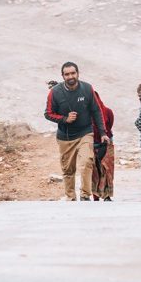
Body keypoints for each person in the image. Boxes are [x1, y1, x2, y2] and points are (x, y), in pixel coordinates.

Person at [44, 62, 107, 201]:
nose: (70, 76)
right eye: (67, 74)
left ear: (78, 73)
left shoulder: (87, 88)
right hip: (65, 137)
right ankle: (71, 198)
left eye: (73, 73)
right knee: (68, 170)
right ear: (63, 76)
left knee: (87, 162)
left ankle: (85, 195)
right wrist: (65, 119)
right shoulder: (55, 92)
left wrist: (103, 133)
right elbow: (48, 113)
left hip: (85, 132)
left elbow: (96, 111)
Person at [92, 88, 115, 201]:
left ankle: (106, 195)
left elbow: (109, 126)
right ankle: (95, 196)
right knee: (94, 170)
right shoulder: (85, 114)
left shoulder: (108, 111)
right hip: (91, 144)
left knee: (107, 170)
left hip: (106, 144)